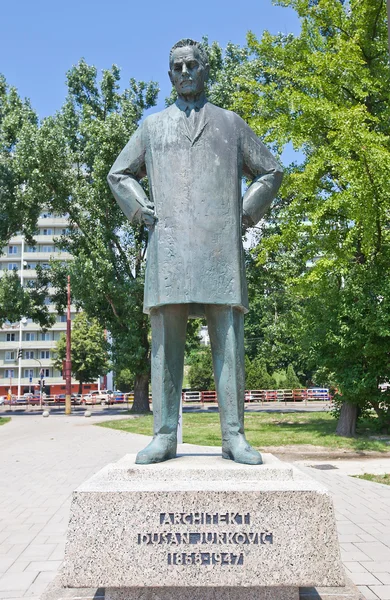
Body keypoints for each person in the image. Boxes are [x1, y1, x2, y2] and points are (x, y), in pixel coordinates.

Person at [108, 39, 283, 465]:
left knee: (228, 341)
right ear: (170, 75)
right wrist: (138, 208)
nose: (185, 71)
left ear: (206, 70)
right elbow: (119, 173)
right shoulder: (152, 127)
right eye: (177, 66)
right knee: (165, 344)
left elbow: (272, 170)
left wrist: (243, 214)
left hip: (220, 249)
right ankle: (165, 435)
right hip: (168, 250)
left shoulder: (231, 124)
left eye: (192, 65)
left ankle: (233, 436)